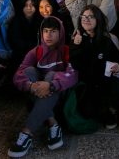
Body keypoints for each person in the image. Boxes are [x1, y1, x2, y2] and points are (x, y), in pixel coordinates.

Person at [9, 16, 77, 157]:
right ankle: (52, 122)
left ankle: (26, 132)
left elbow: (73, 76)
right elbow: (18, 75)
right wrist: (31, 86)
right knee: (29, 71)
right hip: (39, 95)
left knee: (52, 75)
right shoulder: (37, 51)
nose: (48, 35)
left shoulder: (66, 51)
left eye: (53, 31)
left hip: (59, 96)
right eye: (45, 31)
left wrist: (51, 85)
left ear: (61, 32)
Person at [69, 5, 119, 129]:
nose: (86, 19)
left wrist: (118, 66)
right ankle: (104, 110)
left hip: (105, 82)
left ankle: (109, 109)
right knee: (88, 112)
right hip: (87, 84)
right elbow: (75, 65)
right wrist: (76, 46)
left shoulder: (106, 39)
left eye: (91, 17)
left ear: (98, 20)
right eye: (84, 17)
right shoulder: (77, 39)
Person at [8, 0, 43, 70]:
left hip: (38, 54)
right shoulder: (16, 21)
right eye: (26, 5)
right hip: (20, 55)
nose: (29, 8)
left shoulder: (40, 20)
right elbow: (15, 41)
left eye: (32, 5)